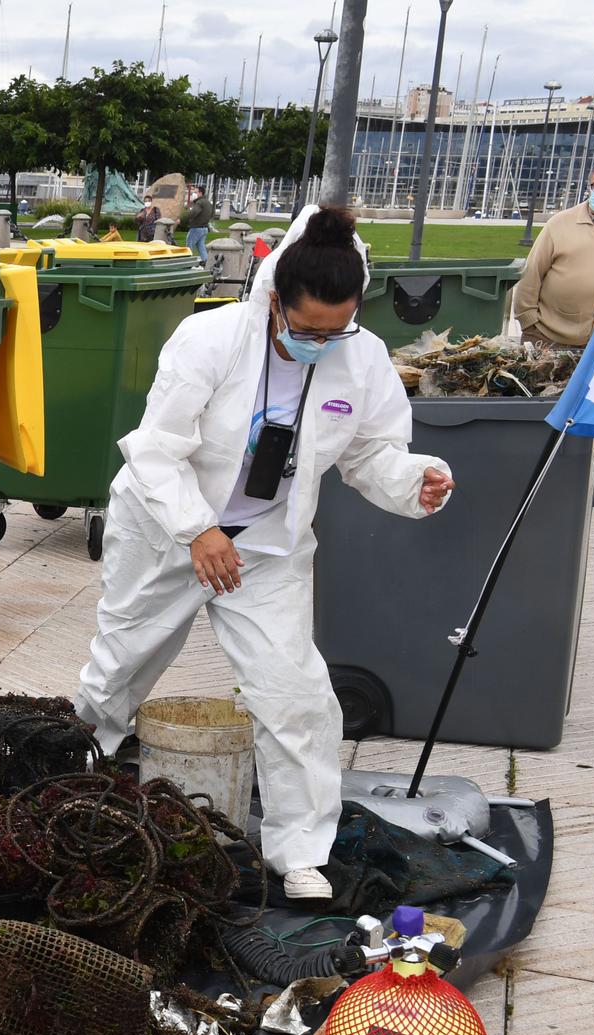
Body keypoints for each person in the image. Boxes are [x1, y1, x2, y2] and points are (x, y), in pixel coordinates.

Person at [74, 205, 455, 902]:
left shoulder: (361, 357)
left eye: (336, 331)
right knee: (121, 660)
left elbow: (371, 454)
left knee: (297, 694)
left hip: (267, 548)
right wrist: (198, 529)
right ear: (275, 299)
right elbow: (155, 450)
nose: (322, 342)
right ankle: (78, 760)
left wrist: (413, 482)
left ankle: (300, 848)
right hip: (168, 528)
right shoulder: (210, 338)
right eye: (308, 330)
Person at [514, 152, 594, 507]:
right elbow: (530, 276)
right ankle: (536, 476)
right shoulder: (560, 224)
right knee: (545, 410)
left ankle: (582, 479)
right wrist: (529, 323)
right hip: (552, 338)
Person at [183, 183, 214, 262]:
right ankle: (206, 261)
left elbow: (193, 213)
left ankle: (187, 262)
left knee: (189, 246)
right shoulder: (208, 203)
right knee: (201, 246)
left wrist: (182, 219)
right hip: (204, 228)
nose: (194, 194)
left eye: (195, 192)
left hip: (196, 228)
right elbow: (212, 214)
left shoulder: (199, 203)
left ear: (200, 193)